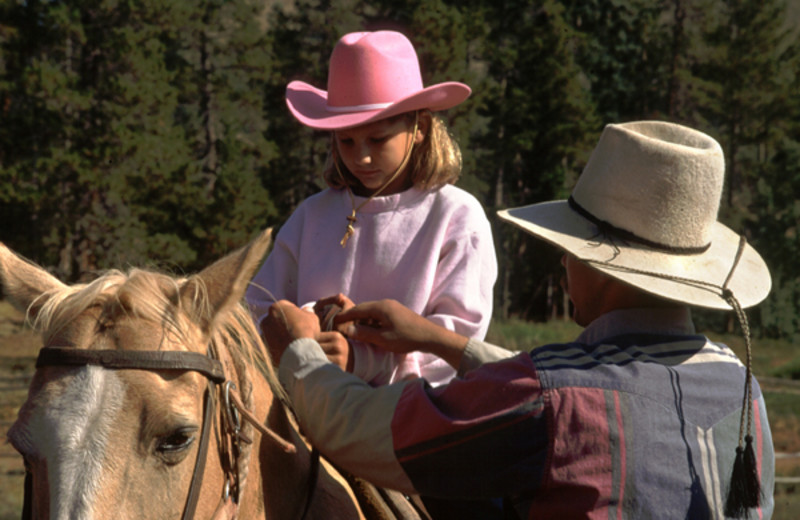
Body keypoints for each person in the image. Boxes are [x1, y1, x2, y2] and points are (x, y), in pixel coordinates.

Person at [263, 121, 775, 519]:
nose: (562, 262)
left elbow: (360, 431)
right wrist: (442, 341)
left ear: (600, 266)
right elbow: (595, 386)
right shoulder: (740, 385)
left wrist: (300, 348)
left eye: (569, 249)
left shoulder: (548, 397)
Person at [246, 30, 497, 389]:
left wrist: (363, 361)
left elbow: (457, 344)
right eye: (345, 140)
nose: (360, 156)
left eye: (377, 139)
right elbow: (255, 308)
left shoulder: (455, 217)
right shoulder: (312, 215)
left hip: (406, 426)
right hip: (302, 416)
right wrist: (296, 327)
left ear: (420, 127)